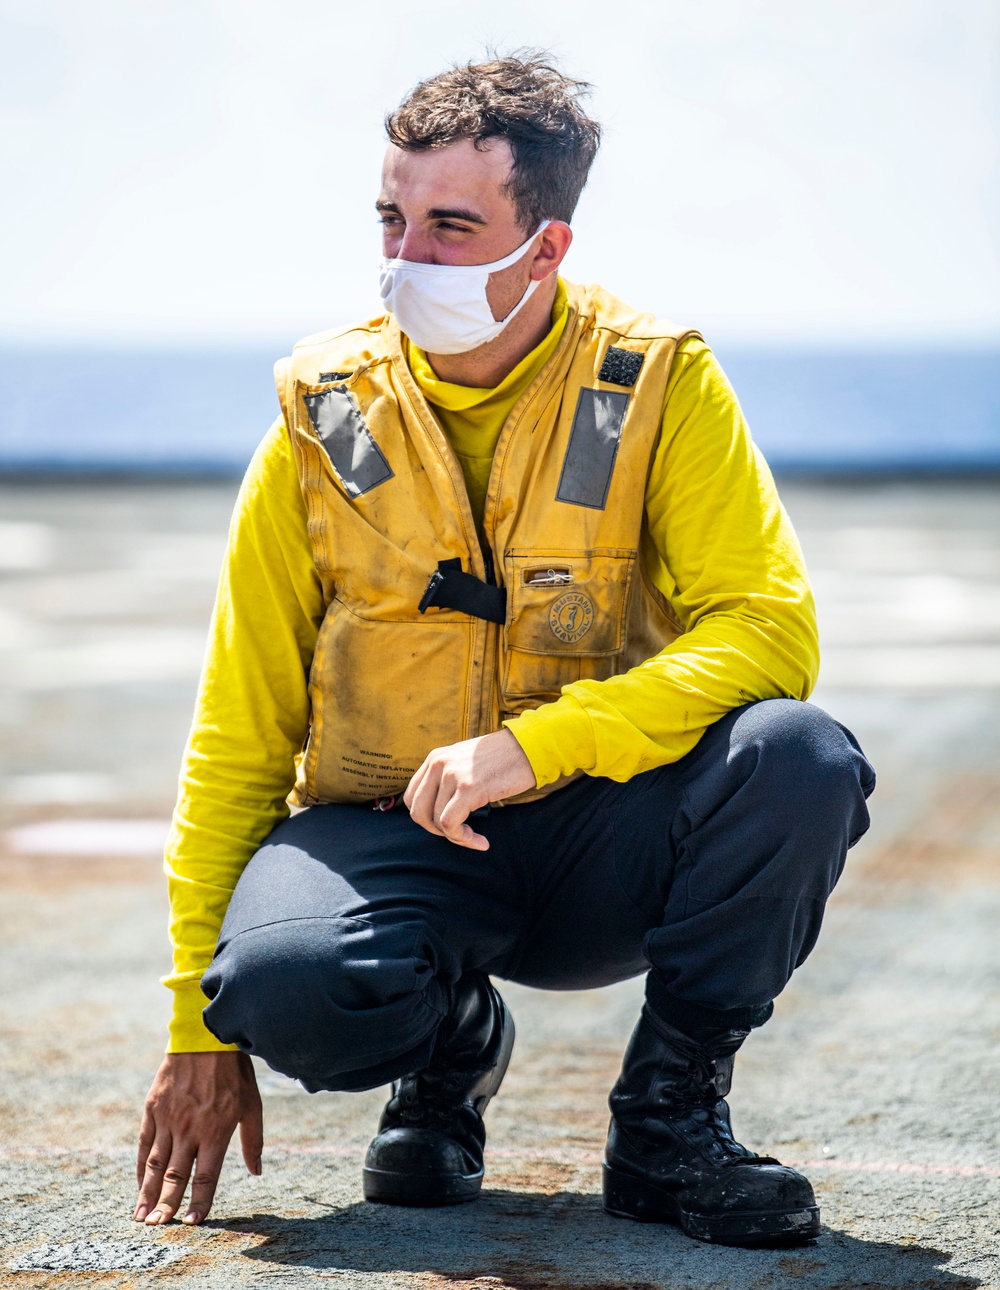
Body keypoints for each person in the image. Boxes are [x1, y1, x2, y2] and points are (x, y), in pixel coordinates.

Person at [134, 54, 875, 1248]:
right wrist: (196, 1031)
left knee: (799, 757)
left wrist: (541, 747)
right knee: (275, 985)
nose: (404, 260)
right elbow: (241, 722)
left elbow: (769, 628)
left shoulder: (654, 384)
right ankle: (448, 1051)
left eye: (449, 227)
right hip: (390, 833)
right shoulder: (324, 416)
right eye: (392, 218)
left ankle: (669, 1119)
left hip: (600, 836)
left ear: (544, 248)